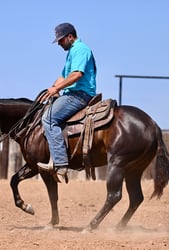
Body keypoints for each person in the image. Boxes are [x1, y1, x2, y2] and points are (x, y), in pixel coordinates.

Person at [38, 23, 97, 183]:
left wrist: (56, 88)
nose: (59, 43)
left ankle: (61, 163)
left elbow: (77, 75)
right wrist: (50, 89)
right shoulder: (72, 52)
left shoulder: (81, 49)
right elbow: (64, 76)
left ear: (70, 36)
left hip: (80, 94)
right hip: (73, 93)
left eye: (61, 40)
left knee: (48, 118)